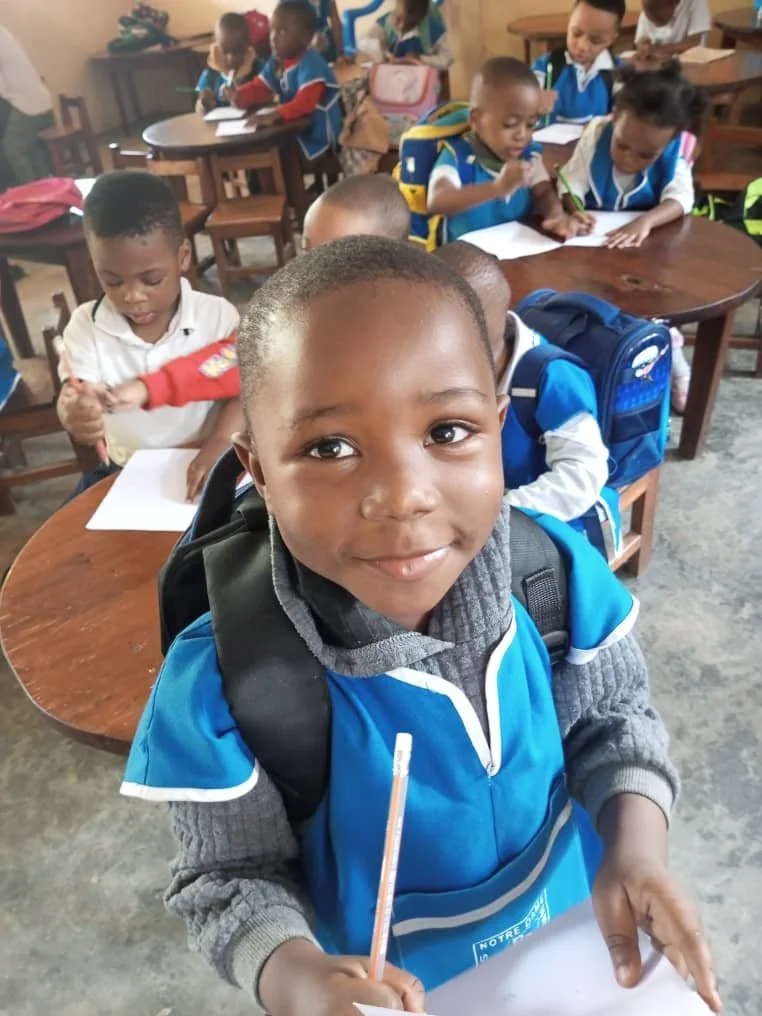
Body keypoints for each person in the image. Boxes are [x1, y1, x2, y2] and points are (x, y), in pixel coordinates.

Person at [120, 236, 721, 1016]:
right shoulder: (234, 680)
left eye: (447, 432)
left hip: (583, 958)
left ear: (500, 428)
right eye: (329, 447)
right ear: (260, 471)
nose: (403, 496)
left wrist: (637, 848)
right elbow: (230, 876)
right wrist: (293, 977)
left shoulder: (556, 579)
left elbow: (613, 722)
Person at [101, 174, 411, 414]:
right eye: (308, 252)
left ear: (388, 262)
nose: (316, 271)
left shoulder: (419, 326)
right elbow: (235, 359)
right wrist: (150, 387)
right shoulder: (297, 314)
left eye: (339, 259)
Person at [56, 171, 242, 502]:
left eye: (152, 280)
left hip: (206, 454)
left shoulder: (217, 317)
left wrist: (220, 442)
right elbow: (75, 392)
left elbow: (241, 388)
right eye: (113, 281)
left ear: (183, 256)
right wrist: (75, 413)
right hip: (125, 469)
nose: (132, 296)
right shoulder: (85, 327)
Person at [436, 239, 621, 558]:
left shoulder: (552, 378)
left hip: (545, 522)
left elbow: (583, 474)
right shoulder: (445, 364)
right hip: (476, 505)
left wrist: (500, 517)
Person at [557, 59, 705, 411]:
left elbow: (682, 198)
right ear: (614, 116)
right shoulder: (595, 133)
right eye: (622, 145)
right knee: (591, 314)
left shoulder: (673, 150)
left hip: (645, 254)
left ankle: (676, 368)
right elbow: (570, 181)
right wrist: (574, 206)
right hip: (595, 248)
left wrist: (646, 222)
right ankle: (601, 373)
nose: (629, 159)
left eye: (645, 155)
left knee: (654, 315)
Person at [427, 57, 593, 243]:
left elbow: (543, 192)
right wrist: (496, 188)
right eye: (510, 124)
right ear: (476, 120)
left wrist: (556, 216)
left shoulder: (529, 157)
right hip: (464, 263)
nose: (521, 135)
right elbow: (437, 201)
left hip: (516, 258)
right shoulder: (457, 157)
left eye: (531, 124)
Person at [227, 1, 343, 161]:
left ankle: (285, 186)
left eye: (281, 32)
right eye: (272, 30)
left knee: (278, 156)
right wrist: (239, 95)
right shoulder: (277, 61)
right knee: (265, 152)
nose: (273, 38)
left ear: (305, 38)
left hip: (319, 137)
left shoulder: (312, 64)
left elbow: (305, 103)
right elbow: (260, 86)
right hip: (295, 130)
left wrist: (276, 115)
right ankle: (270, 185)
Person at [532, 0, 625, 124]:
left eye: (595, 40)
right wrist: (531, 103)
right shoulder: (546, 66)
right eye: (576, 33)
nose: (582, 46)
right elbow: (515, 106)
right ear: (568, 23)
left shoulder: (618, 72)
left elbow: (624, 115)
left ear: (611, 39)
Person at [0, 26, 54, 191]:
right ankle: (47, 188)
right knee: (31, 149)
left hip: (28, 104)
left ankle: (32, 194)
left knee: (13, 149)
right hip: (38, 100)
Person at [195, 12, 261, 114]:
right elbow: (198, 108)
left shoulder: (258, 69)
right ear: (216, 45)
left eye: (237, 52)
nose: (230, 59)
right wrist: (204, 104)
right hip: (218, 127)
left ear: (248, 45)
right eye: (225, 52)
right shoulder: (211, 74)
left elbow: (269, 98)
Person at [360, 0, 452, 69]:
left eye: (410, 22)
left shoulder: (432, 30)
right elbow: (363, 42)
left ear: (423, 16)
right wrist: (381, 53)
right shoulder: (387, 22)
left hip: (420, 82)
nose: (401, 25)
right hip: (390, 78)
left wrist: (420, 59)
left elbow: (447, 59)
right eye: (399, 18)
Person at [635, 0, 710, 57]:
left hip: (688, 62)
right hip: (656, 62)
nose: (655, 25)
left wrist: (657, 50)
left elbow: (694, 42)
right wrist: (643, 46)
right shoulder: (651, 4)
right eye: (651, 19)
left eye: (660, 20)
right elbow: (641, 39)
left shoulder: (696, 2)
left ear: (675, 4)